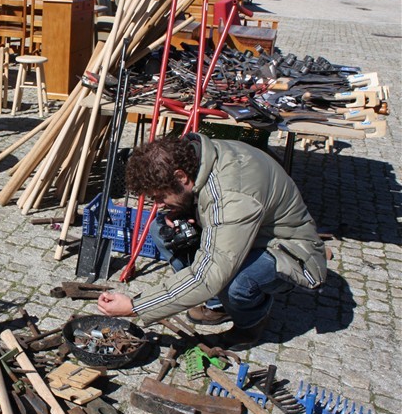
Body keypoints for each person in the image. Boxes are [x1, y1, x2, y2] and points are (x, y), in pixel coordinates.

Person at [97, 134, 327, 350]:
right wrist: (185, 209)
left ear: (180, 176)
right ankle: (218, 304)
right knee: (163, 229)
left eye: (160, 196)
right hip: (245, 229)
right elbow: (207, 201)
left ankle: (251, 323)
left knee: (237, 281)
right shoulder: (198, 156)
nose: (157, 204)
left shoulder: (232, 196)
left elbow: (208, 275)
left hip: (287, 249)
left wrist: (136, 307)